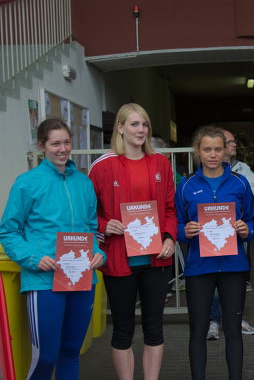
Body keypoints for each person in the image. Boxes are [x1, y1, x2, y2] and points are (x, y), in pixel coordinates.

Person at [0, 118, 105, 379]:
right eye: (55, 143)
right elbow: (8, 230)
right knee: (46, 355)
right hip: (44, 281)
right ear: (41, 146)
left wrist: (98, 252)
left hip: (81, 279)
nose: (62, 149)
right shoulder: (27, 182)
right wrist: (33, 258)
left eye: (67, 142)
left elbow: (92, 228)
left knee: (71, 351)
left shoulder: (84, 183)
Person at [88, 103, 177, 380]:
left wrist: (169, 237)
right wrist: (105, 225)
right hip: (119, 260)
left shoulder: (161, 162)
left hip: (156, 260)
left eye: (145, 124)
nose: (141, 130)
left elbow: (171, 209)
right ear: (120, 128)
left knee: (154, 328)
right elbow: (88, 213)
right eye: (134, 124)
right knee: (123, 329)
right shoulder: (102, 165)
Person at [175, 126, 254, 379]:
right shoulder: (187, 184)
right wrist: (184, 230)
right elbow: (176, 224)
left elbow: (253, 221)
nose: (212, 154)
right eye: (207, 149)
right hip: (199, 267)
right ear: (198, 151)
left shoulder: (240, 182)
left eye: (217, 149)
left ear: (226, 151)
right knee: (198, 329)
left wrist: (246, 229)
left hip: (233, 266)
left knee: (232, 329)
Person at [205, 128, 254, 340]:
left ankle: (234, 318)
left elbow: (253, 196)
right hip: (211, 234)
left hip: (235, 234)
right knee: (213, 279)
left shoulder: (243, 170)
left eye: (234, 142)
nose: (234, 145)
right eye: (230, 142)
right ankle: (214, 320)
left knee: (234, 280)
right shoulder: (203, 170)